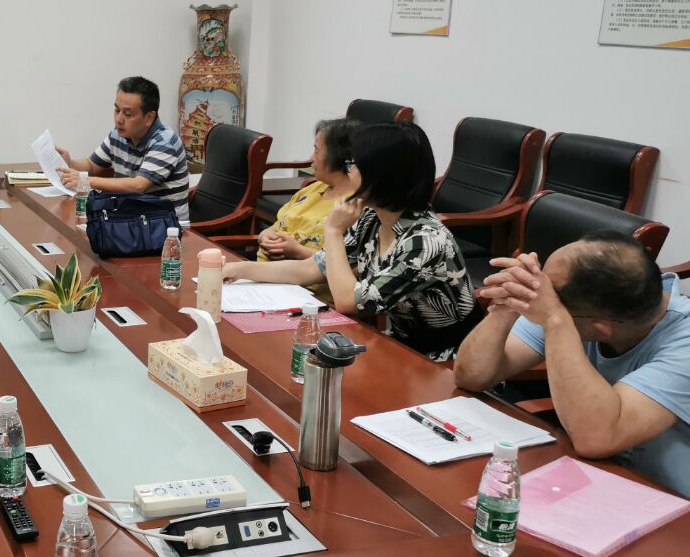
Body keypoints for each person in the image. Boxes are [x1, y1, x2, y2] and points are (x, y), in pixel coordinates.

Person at [454, 233, 690, 498]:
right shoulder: (580, 309)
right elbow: (471, 376)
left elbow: (596, 439)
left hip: (668, 498)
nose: (538, 288)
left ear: (600, 328)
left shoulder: (683, 343)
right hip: (596, 478)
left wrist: (555, 319)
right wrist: (508, 305)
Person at [223, 121, 482, 361]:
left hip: (446, 358)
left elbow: (349, 300)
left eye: (354, 165)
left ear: (383, 174)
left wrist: (333, 230)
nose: (348, 172)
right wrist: (238, 269)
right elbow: (312, 268)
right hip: (399, 346)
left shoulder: (424, 242)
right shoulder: (372, 218)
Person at [55, 76, 191, 223]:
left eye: (127, 114)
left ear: (149, 118)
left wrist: (85, 181)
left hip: (165, 226)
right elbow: (92, 165)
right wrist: (70, 162)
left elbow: (138, 185)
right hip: (130, 221)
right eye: (117, 110)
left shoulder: (166, 141)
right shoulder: (118, 135)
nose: (119, 119)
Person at [253, 117, 360, 303]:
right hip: (264, 281)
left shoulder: (355, 208)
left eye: (317, 151)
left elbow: (351, 268)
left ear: (339, 157)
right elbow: (276, 226)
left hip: (310, 298)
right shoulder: (313, 189)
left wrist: (297, 251)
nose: (311, 158)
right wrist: (265, 236)